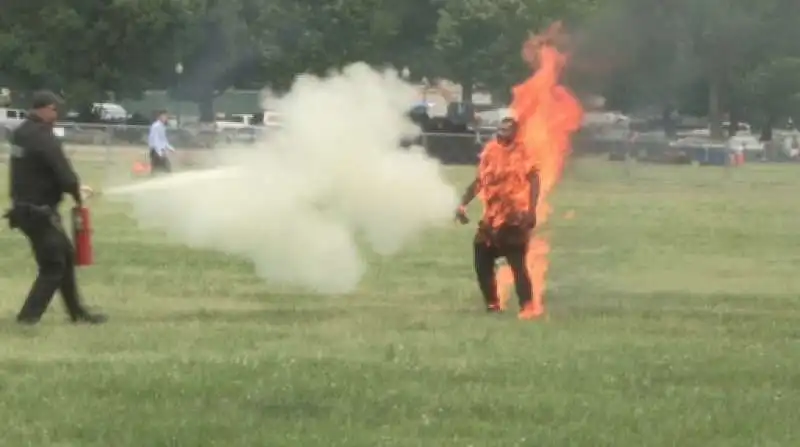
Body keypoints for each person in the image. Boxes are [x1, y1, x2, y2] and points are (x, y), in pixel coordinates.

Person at [2, 90, 107, 325]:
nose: (57, 114)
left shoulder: (21, 134)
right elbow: (62, 170)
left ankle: (77, 312)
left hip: (25, 209)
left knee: (65, 257)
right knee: (54, 264)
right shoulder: (43, 137)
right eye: (55, 110)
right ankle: (28, 318)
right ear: (45, 109)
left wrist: (73, 188)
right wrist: (76, 190)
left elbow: (39, 170)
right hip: (38, 212)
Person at [455, 118, 541, 319]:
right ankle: (492, 304)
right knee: (481, 256)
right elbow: (480, 181)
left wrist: (531, 210)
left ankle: (527, 306)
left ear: (516, 133)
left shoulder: (524, 153)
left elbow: (535, 179)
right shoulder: (490, 152)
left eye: (507, 130)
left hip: (514, 217)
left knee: (517, 264)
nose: (502, 133)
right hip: (492, 218)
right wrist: (462, 204)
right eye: (500, 129)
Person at [147, 110, 174, 174]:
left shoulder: (162, 126)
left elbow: (163, 139)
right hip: (155, 150)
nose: (166, 118)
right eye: (164, 116)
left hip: (160, 150)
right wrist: (159, 152)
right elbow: (155, 139)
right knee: (164, 168)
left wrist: (169, 148)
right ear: (160, 117)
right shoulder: (156, 126)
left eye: (166, 116)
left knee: (161, 168)